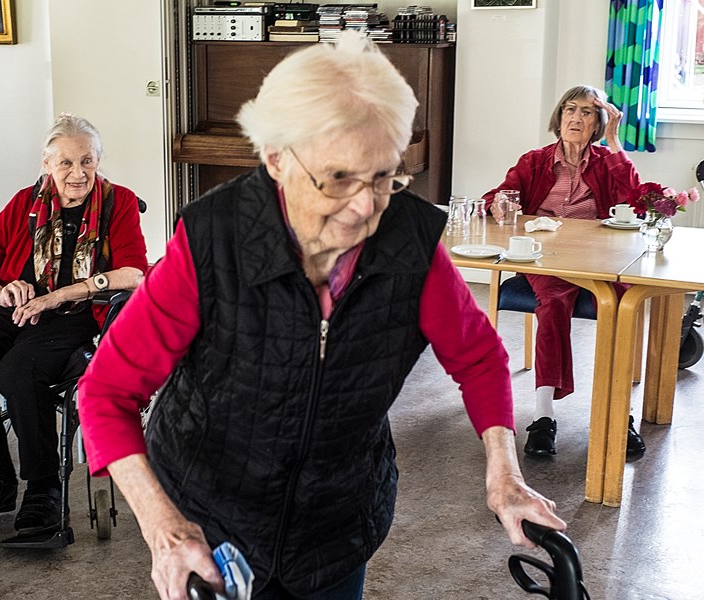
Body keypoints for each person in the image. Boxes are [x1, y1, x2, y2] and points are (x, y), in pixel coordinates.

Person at [79, 33, 563, 600]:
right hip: (211, 516)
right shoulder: (213, 240)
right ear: (277, 159)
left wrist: (503, 471)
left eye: (384, 176)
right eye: (338, 177)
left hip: (338, 516)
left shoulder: (409, 238)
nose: (365, 205)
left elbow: (478, 356)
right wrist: (162, 526)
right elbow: (106, 393)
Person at [0, 114, 148, 535]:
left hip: (72, 316)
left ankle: (43, 487)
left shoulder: (118, 202)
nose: (78, 173)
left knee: (19, 370)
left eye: (87, 161)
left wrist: (59, 295)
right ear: (46, 164)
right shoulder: (25, 203)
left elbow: (134, 274)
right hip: (11, 309)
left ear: (98, 161)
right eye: (66, 163)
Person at [482, 84, 645, 459]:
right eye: (570, 109)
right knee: (553, 304)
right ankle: (543, 416)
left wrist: (615, 141)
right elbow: (499, 196)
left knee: (624, 303)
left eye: (587, 112)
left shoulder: (606, 161)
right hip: (544, 257)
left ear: (598, 123)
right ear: (559, 117)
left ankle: (622, 413)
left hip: (599, 258)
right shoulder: (534, 161)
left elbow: (634, 196)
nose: (576, 117)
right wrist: (497, 204)